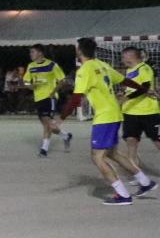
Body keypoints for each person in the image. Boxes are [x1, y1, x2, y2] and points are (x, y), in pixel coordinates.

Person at [62, 38, 147, 206]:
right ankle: (144, 181)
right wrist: (142, 88)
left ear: (79, 51)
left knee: (97, 157)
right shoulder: (102, 64)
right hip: (114, 113)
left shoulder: (85, 69)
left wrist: (61, 117)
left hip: (104, 117)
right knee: (112, 153)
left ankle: (123, 195)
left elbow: (77, 97)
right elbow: (123, 80)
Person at [117, 46, 158, 193]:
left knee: (158, 142)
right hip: (130, 113)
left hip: (149, 112)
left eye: (123, 57)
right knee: (131, 143)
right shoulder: (129, 72)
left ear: (130, 56)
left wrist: (125, 98)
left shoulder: (144, 68)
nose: (122, 60)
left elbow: (144, 88)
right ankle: (137, 174)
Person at [24, 46, 72, 156]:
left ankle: (44, 149)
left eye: (32, 52)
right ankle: (66, 136)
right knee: (47, 124)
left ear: (40, 53)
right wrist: (31, 86)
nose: (30, 54)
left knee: (47, 124)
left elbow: (62, 80)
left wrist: (53, 91)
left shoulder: (52, 65)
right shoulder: (31, 66)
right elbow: (26, 82)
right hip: (38, 98)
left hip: (50, 97)